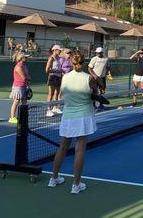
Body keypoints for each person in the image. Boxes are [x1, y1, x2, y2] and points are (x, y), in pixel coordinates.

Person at [48, 51, 97, 194]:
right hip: (83, 116)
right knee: (80, 150)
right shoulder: (89, 78)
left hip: (68, 117)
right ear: (83, 62)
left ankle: (54, 178)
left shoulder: (65, 78)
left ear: (72, 62)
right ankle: (76, 185)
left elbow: (63, 93)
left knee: (62, 148)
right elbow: (95, 93)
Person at [8, 52, 31, 123]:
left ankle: (24, 116)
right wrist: (28, 79)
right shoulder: (18, 67)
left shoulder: (24, 66)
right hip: (18, 86)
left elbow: (27, 76)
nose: (27, 58)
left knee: (24, 101)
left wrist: (27, 84)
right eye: (25, 57)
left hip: (24, 85)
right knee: (16, 101)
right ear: (21, 58)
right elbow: (24, 77)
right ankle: (12, 118)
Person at [45, 45, 64, 116]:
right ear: (54, 50)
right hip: (52, 77)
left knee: (57, 93)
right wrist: (58, 71)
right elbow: (47, 70)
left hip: (58, 77)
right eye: (59, 50)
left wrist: (60, 72)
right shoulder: (51, 58)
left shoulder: (59, 58)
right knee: (51, 94)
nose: (60, 51)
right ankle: (48, 110)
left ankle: (55, 107)